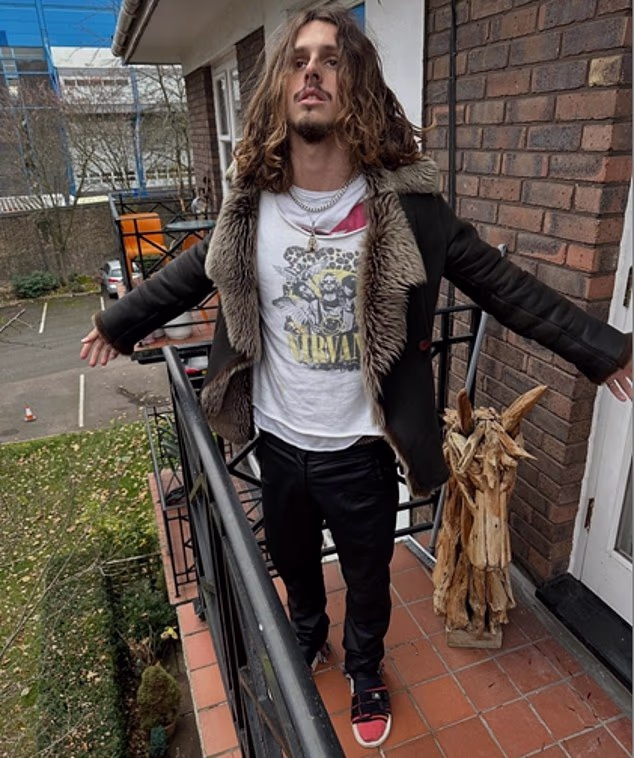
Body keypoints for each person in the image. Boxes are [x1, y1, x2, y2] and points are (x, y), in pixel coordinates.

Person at [81, 5, 632, 749]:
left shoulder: (410, 211)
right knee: (296, 568)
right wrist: (118, 323)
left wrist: (604, 349)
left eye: (331, 59)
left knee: (368, 580)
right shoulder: (251, 202)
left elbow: (506, 288)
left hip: (363, 449)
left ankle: (366, 668)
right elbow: (191, 273)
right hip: (278, 441)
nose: (311, 71)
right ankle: (308, 636)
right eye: (298, 59)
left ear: (357, 84)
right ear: (282, 88)